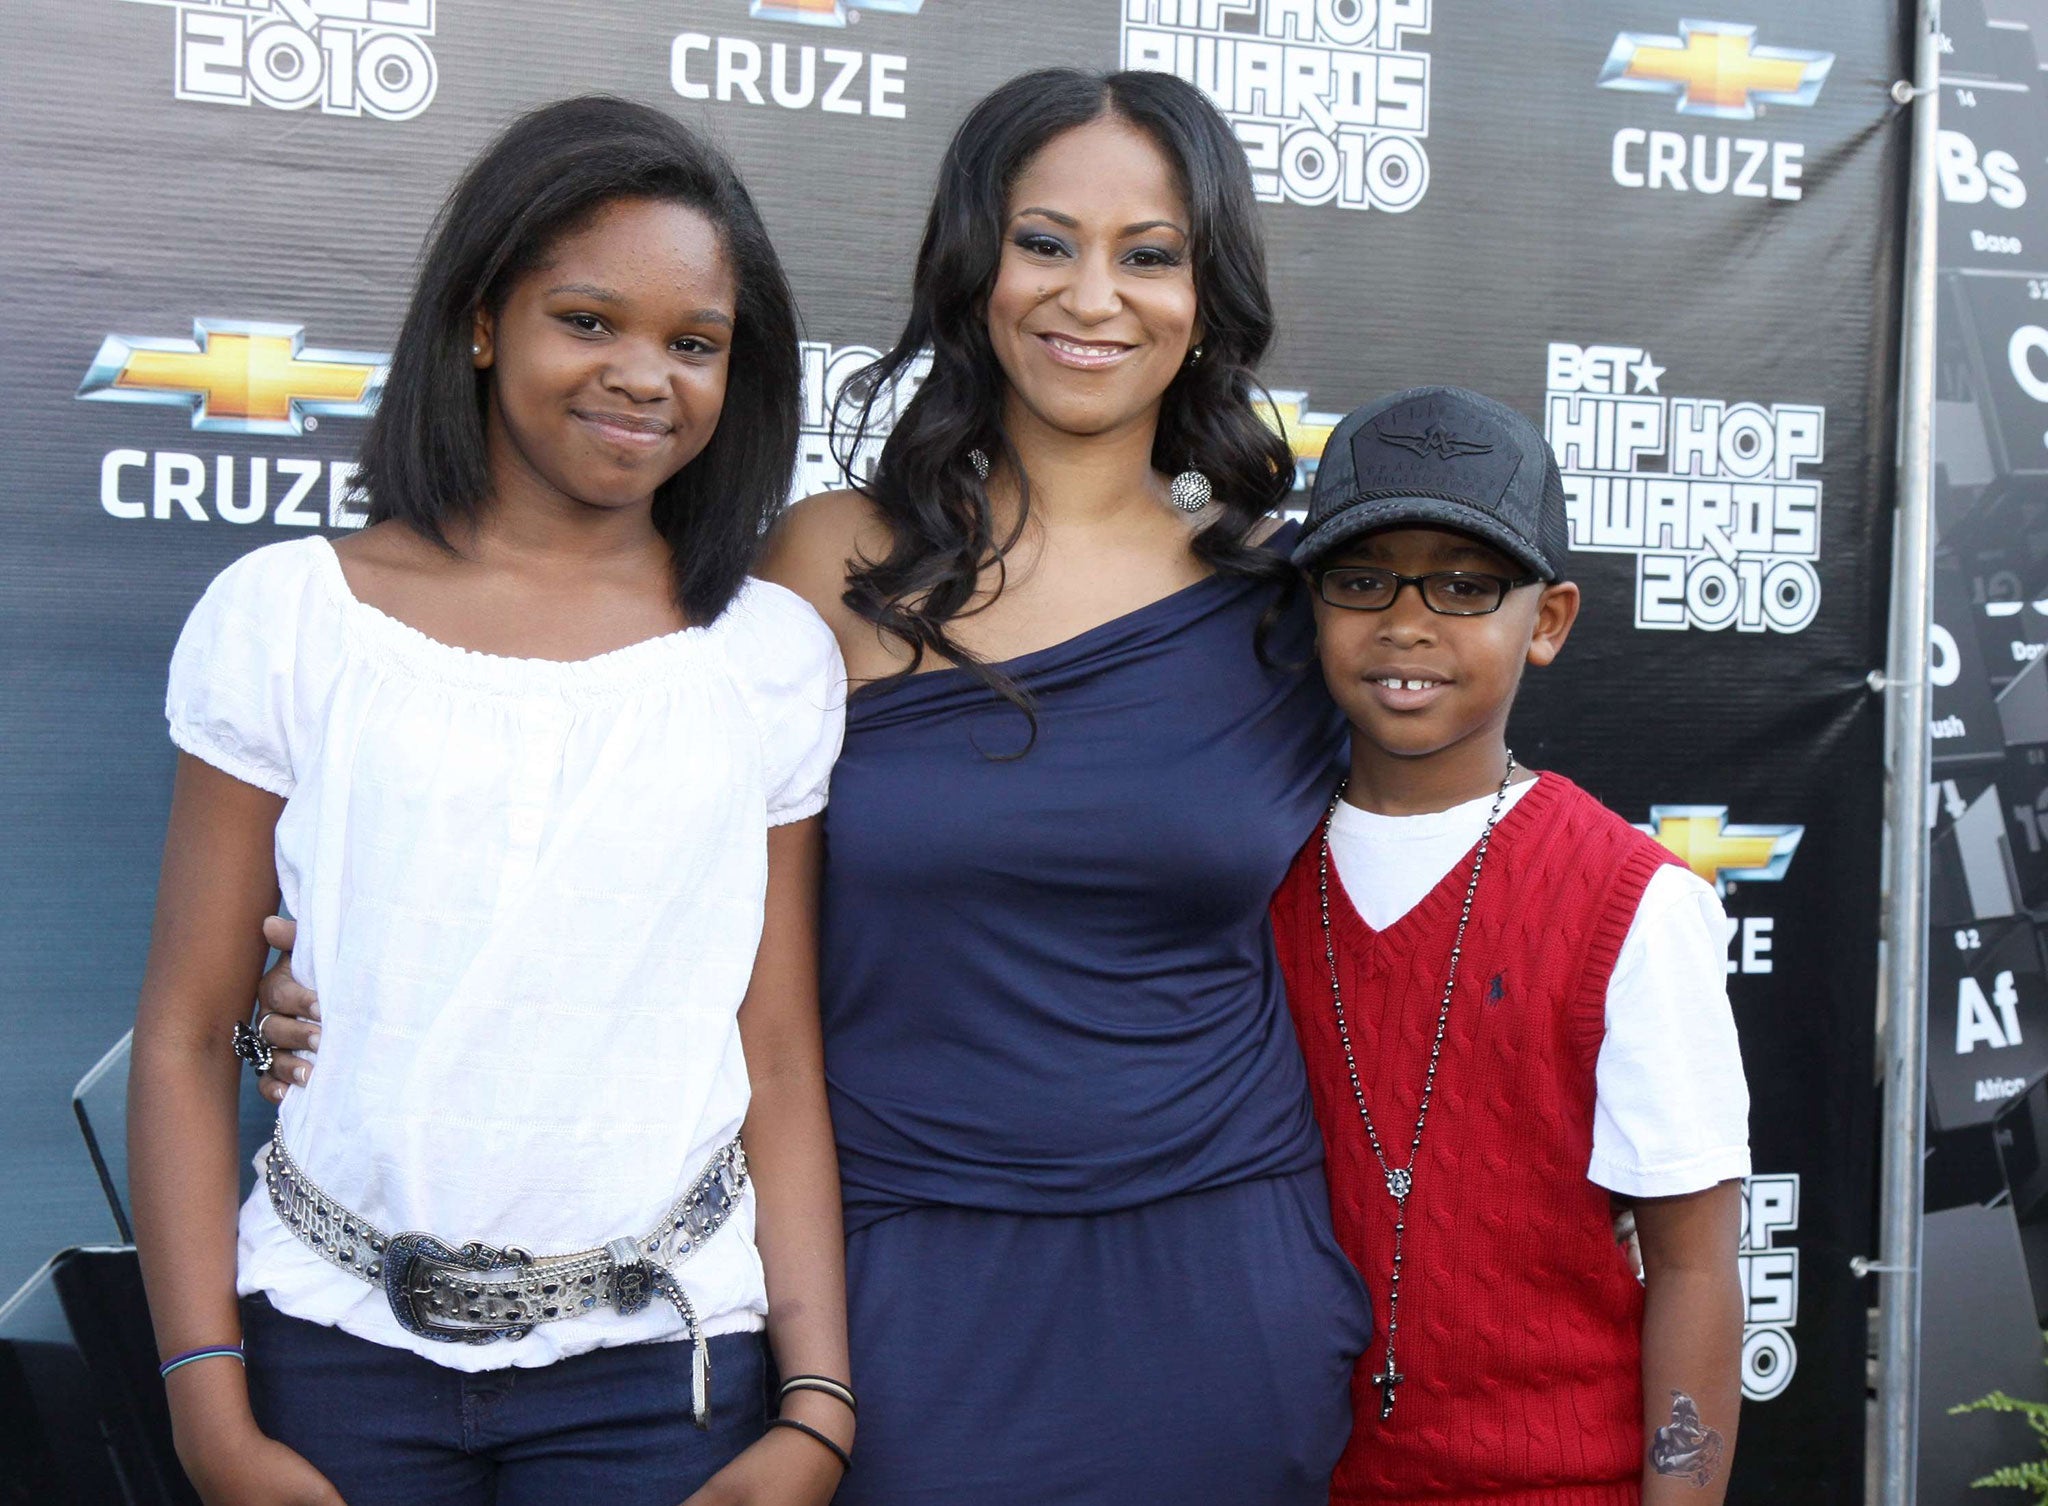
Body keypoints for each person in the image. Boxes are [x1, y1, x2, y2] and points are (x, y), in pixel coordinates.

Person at [252, 67, 1371, 1505]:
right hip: (891, 1276)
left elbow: (1436, 896)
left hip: (1222, 1278)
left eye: (1149, 255)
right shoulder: (823, 568)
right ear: (972, 266)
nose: (1093, 293)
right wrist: (315, 974)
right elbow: (605, 852)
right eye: (1046, 241)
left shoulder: (1287, 611)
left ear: (1206, 295)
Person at [127, 96, 855, 1506]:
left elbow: (777, 1053)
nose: (644, 375)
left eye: (692, 343)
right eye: (588, 320)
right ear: (478, 323)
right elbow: (183, 1029)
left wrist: (814, 1408)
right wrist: (207, 1409)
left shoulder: (768, 658)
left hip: (667, 1370)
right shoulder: (290, 616)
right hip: (329, 1354)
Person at [1273, 385, 1751, 1505]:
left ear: (1544, 621)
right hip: (1283, 1469)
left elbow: (1690, 1262)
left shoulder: (1629, 901)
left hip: (1553, 1481)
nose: (1405, 620)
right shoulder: (1247, 863)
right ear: (1311, 608)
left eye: (1463, 584)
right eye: (1359, 578)